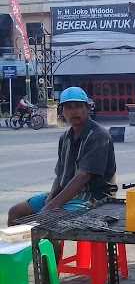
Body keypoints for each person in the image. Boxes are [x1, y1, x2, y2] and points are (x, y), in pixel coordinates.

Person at [8, 86, 117, 235]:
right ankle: (20, 257)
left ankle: (53, 259)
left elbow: (83, 176)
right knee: (16, 212)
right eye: (69, 107)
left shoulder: (98, 135)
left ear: (87, 108)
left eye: (79, 106)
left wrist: (52, 206)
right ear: (63, 111)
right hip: (69, 194)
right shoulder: (65, 138)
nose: (74, 111)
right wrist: (50, 199)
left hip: (96, 197)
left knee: (48, 222)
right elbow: (60, 175)